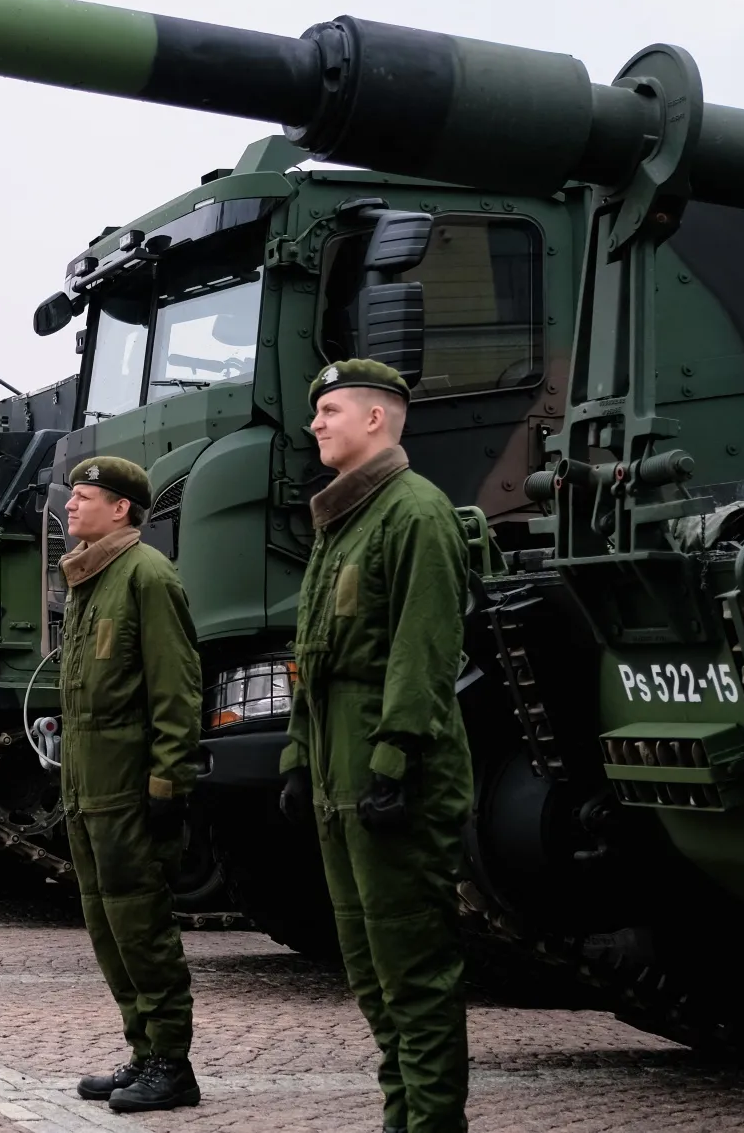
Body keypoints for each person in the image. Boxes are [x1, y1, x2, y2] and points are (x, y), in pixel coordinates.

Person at [281, 360, 472, 1133]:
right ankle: (402, 1114)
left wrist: (393, 761)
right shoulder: (344, 519)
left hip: (394, 778)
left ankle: (431, 1123)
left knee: (414, 972)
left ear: (376, 418)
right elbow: (313, 653)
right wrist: (300, 756)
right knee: (368, 968)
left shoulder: (415, 512)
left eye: (329, 410)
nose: (316, 424)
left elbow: (422, 651)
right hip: (339, 773)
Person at [58, 456, 204, 1113]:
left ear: (121, 508)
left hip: (126, 789)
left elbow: (176, 688)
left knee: (141, 924)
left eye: (83, 497)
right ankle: (144, 1050)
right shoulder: (91, 578)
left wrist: (167, 783)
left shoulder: (147, 575)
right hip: (86, 788)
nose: (70, 506)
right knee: (106, 923)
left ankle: (173, 1062)